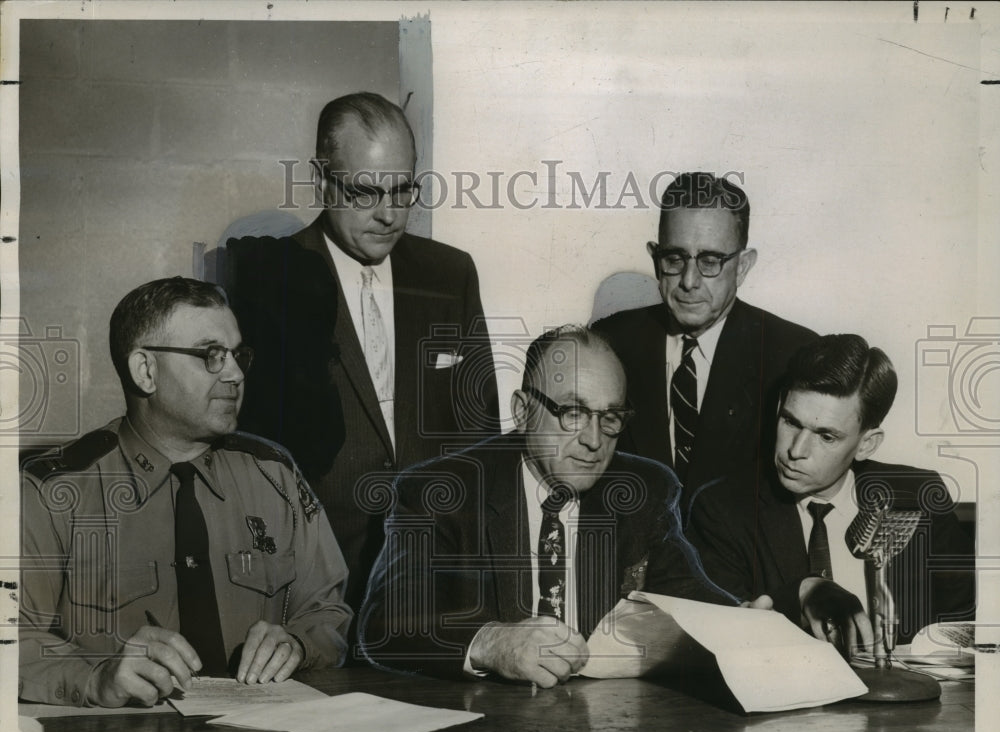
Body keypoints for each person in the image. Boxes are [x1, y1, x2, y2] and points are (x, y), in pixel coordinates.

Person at [358, 326, 862, 686]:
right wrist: (491, 643)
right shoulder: (441, 490)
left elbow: (689, 598)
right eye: (573, 412)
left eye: (611, 418)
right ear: (521, 409)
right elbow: (383, 627)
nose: (594, 440)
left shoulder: (641, 490)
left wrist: (748, 620)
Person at [224, 92, 500, 617]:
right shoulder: (265, 280)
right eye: (364, 192)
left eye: (403, 190)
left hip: (436, 579)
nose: (389, 214)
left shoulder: (451, 275)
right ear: (320, 179)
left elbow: (480, 430)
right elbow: (246, 452)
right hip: (313, 582)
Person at [19, 278, 352, 708]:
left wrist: (298, 643)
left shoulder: (275, 474)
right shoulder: (54, 491)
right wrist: (97, 678)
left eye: (237, 355)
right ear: (145, 370)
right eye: (209, 355)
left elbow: (328, 611)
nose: (234, 373)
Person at [680, 334, 976, 649]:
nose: (796, 450)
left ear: (866, 444)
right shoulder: (723, 508)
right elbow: (714, 628)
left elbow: (967, 620)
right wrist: (798, 595)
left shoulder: (918, 496)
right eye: (791, 422)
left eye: (826, 436)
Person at [593, 172, 817, 502]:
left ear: (742, 266)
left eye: (710, 261)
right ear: (656, 259)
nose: (689, 280)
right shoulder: (608, 344)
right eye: (674, 258)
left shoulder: (793, 355)